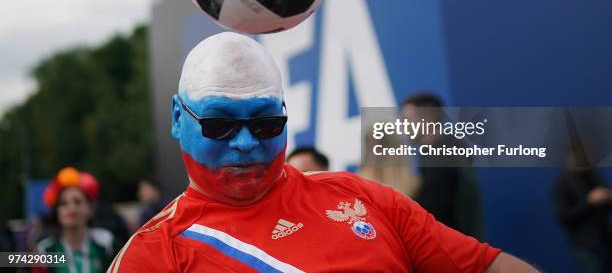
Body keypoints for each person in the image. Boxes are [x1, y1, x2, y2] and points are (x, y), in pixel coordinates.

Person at [109, 32, 536, 272]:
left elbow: (487, 266)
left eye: (265, 124)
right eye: (219, 124)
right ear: (178, 119)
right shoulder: (154, 254)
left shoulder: (364, 198)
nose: (244, 143)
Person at [402, 93, 485, 240]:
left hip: (457, 250)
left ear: (427, 118)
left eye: (408, 121)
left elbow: (431, 208)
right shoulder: (445, 150)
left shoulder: (442, 155)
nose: (404, 127)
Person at [36, 167, 117, 273]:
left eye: (77, 202)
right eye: (63, 204)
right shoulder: (46, 249)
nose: (71, 208)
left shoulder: (106, 243)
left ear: (91, 208)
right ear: (57, 211)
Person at [553, 142, 612, 272]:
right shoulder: (562, 183)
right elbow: (564, 216)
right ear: (571, 157)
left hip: (605, 241)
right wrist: (588, 201)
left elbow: (604, 207)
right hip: (584, 245)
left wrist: (607, 197)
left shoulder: (595, 176)